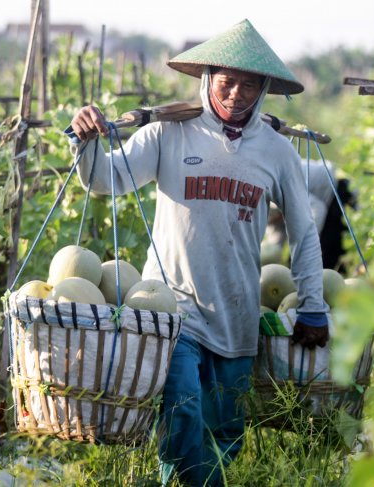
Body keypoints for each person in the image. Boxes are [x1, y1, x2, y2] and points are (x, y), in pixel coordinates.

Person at [67, 19, 329, 486]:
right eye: (227, 82)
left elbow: (304, 234)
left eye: (250, 84)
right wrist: (85, 140)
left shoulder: (277, 152)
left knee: (225, 433)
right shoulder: (170, 133)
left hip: (238, 316)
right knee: (182, 418)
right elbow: (107, 179)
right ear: (208, 79)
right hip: (171, 310)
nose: (236, 94)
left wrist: (313, 305)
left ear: (265, 88)